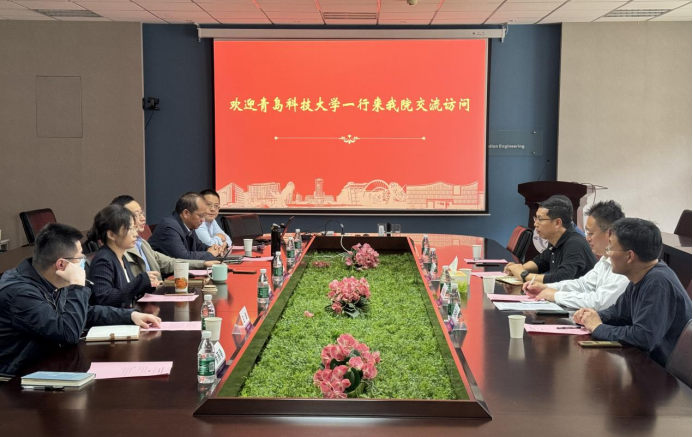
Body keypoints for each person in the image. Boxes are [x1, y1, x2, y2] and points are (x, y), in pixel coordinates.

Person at [0, 223, 160, 376]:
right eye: (79, 257)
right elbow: (67, 333)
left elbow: (85, 313)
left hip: (50, 366)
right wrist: (76, 285)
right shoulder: (20, 293)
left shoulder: (48, 278)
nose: (84, 259)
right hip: (16, 380)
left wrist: (130, 316)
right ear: (61, 265)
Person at [574, 218, 692, 367]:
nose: (608, 254)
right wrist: (592, 316)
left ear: (629, 256)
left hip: (663, 373)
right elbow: (619, 312)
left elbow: (644, 337)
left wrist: (598, 328)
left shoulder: (658, 282)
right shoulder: (641, 274)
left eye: (610, 248)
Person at [524, 200, 629, 310]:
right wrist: (546, 287)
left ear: (610, 233)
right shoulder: (605, 260)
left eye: (591, 233)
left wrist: (556, 295)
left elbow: (598, 303)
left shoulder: (624, 265)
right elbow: (583, 285)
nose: (587, 238)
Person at [110, 195, 219, 278]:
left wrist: (203, 263)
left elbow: (169, 262)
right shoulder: (118, 251)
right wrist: (208, 255)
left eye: (141, 213)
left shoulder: (142, 243)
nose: (143, 218)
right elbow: (182, 256)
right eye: (136, 215)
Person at [505, 195, 596, 284]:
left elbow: (561, 279)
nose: (535, 224)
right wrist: (518, 269)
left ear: (557, 223)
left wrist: (523, 275)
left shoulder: (574, 243)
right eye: (535, 218)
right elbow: (541, 262)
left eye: (540, 219)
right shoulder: (556, 238)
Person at [87, 205, 160, 307]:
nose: (136, 234)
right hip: (115, 317)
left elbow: (126, 293)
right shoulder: (103, 259)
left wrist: (147, 285)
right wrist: (140, 281)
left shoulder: (121, 256)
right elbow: (104, 298)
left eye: (135, 228)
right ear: (111, 235)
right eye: (130, 229)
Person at [148, 192, 222, 261]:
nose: (203, 220)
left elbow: (198, 246)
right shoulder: (169, 227)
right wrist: (209, 254)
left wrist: (214, 249)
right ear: (186, 213)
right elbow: (183, 258)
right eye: (200, 215)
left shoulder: (189, 225)